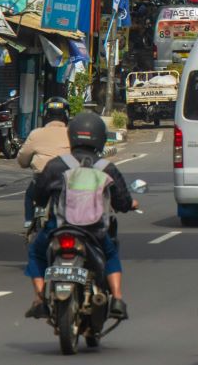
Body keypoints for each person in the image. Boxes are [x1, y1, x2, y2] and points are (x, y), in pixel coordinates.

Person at [25, 112, 137, 320]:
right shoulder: (107, 168)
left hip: (58, 228)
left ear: (72, 136)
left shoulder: (57, 165)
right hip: (95, 231)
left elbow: (39, 195)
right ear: (100, 138)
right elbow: (122, 201)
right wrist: (131, 204)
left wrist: (42, 202)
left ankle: (40, 300)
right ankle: (118, 299)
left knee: (36, 253)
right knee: (111, 254)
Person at [16, 97, 71, 229]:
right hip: (68, 179)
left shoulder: (36, 134)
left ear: (45, 114)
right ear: (67, 115)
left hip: (42, 179)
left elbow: (22, 159)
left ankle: (29, 223)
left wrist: (28, 163)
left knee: (30, 196)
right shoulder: (72, 133)